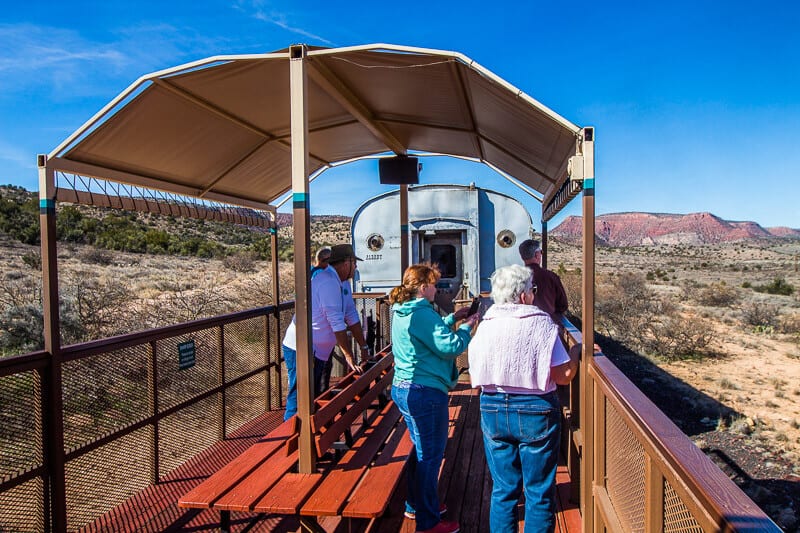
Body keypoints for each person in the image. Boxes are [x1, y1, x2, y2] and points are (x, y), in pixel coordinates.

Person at [468, 264, 580, 533]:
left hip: (492, 407)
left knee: (504, 491)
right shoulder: (540, 323)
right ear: (522, 296)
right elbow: (563, 375)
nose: (534, 294)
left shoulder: (486, 325)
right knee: (539, 493)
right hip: (535, 411)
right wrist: (577, 352)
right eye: (533, 290)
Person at [389, 263, 479, 533]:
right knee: (430, 456)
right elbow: (449, 347)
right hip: (424, 393)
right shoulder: (422, 314)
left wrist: (454, 319)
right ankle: (428, 523)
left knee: (421, 451)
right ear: (423, 287)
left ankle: (417, 504)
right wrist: (467, 328)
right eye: (433, 284)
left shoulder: (404, 311)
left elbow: (429, 334)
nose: (436, 288)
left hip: (404, 388)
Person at [281, 244, 370, 421]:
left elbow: (350, 314)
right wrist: (348, 355)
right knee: (300, 398)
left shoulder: (341, 282)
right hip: (303, 349)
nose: (356, 268)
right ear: (346, 263)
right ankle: (290, 440)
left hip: (320, 352)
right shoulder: (327, 281)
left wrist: (364, 346)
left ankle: (314, 439)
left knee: (318, 395)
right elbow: (337, 322)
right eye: (354, 263)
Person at [518, 239, 568, 324]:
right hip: (547, 325)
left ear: (522, 256)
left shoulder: (514, 278)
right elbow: (562, 305)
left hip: (521, 326)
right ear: (537, 255)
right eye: (541, 252)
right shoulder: (551, 277)